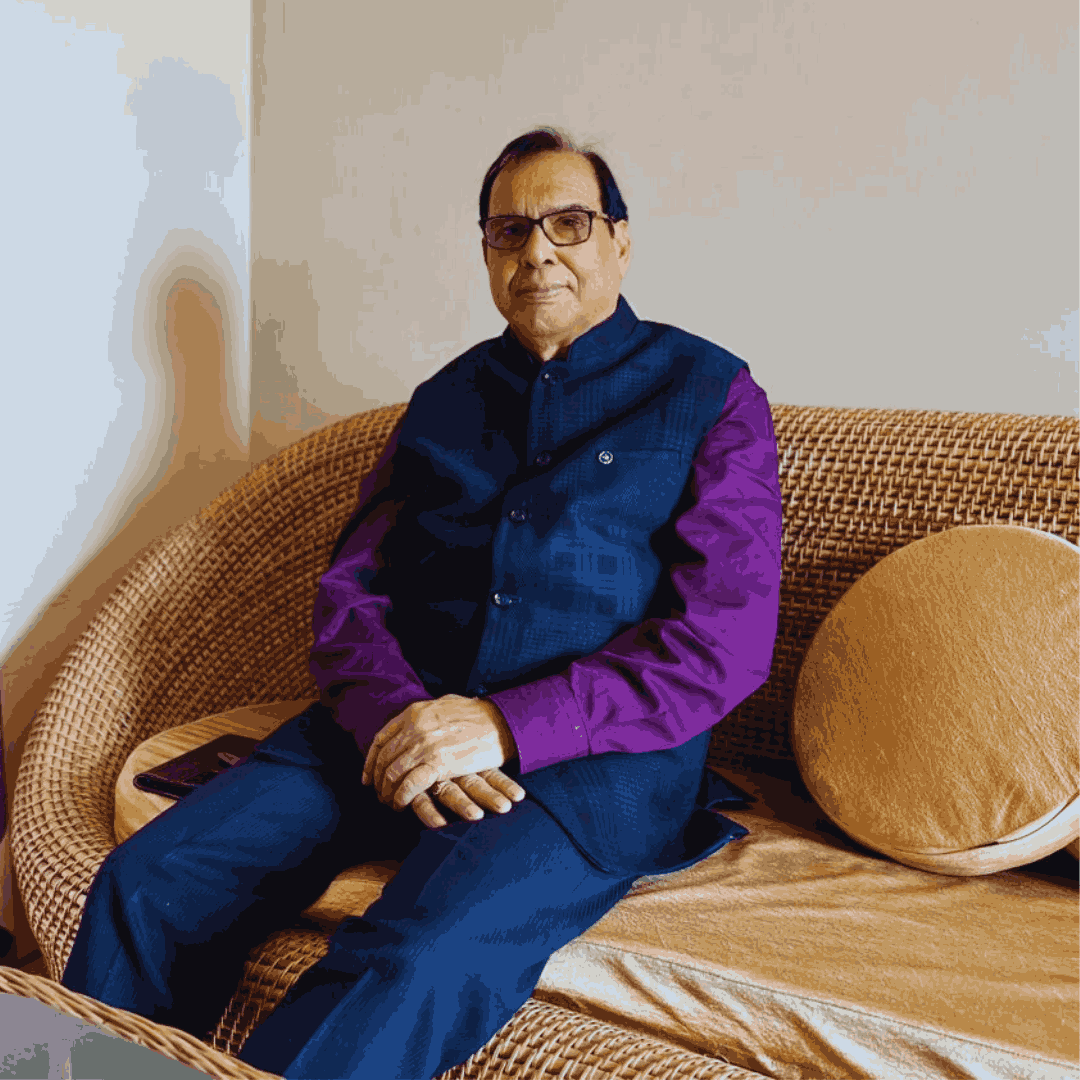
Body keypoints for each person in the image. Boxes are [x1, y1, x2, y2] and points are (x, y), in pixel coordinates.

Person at [61, 128, 783, 1079]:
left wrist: (502, 725)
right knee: (147, 880)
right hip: (384, 730)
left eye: (569, 223)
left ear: (620, 241)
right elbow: (349, 595)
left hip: (579, 766)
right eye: (509, 230)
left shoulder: (710, 392)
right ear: (486, 253)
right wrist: (397, 720)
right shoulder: (444, 400)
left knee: (408, 961)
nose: (538, 251)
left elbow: (723, 641)